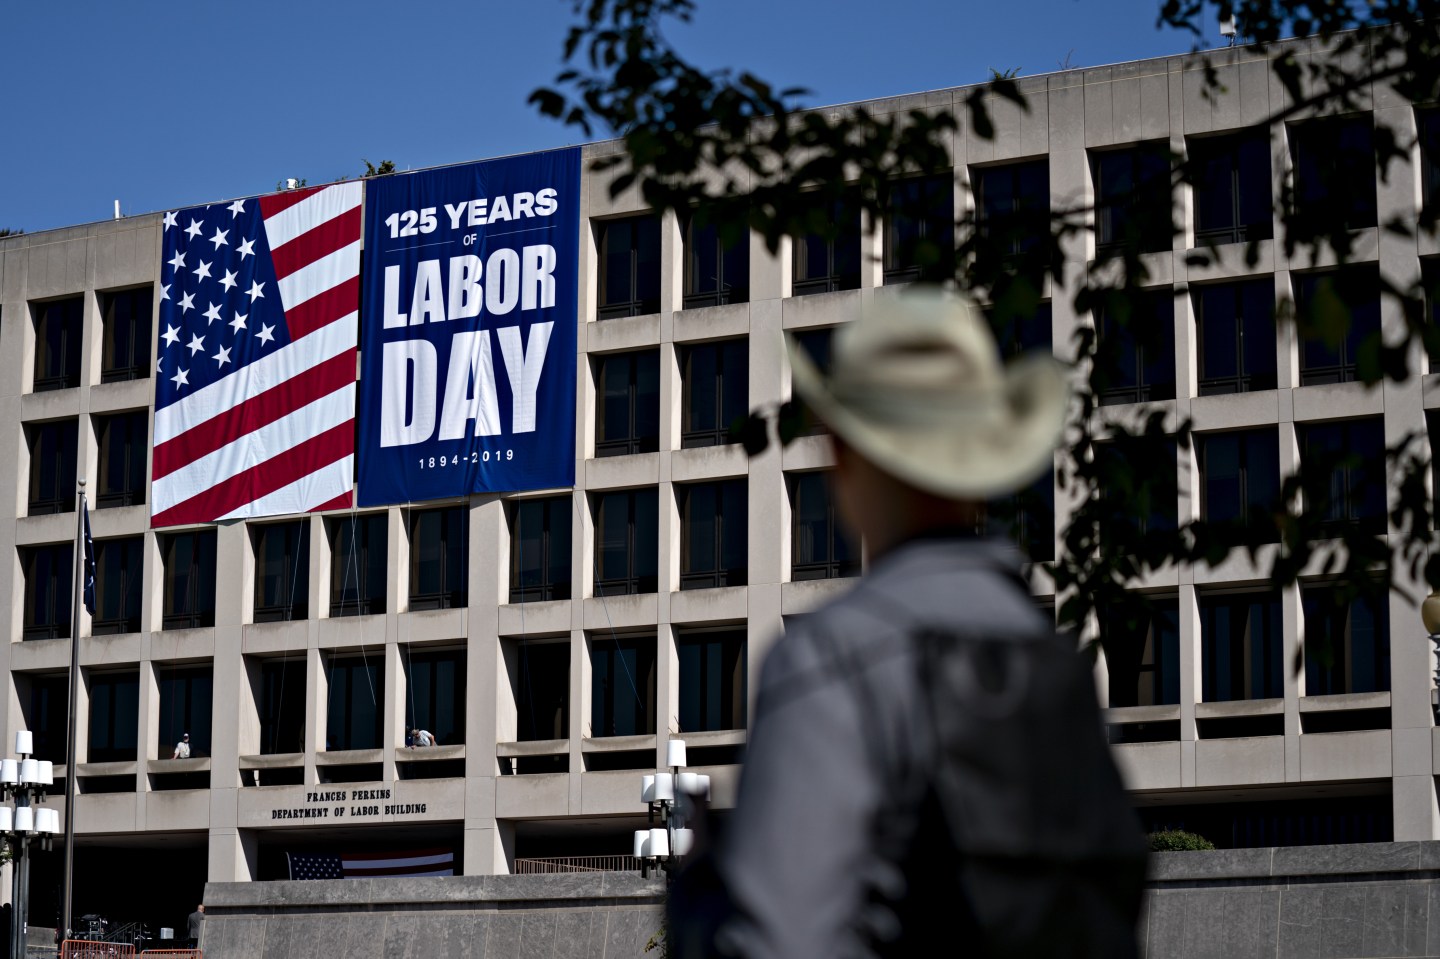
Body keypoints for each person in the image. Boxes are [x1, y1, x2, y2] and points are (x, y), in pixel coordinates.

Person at [670, 288, 1148, 959]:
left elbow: (781, 942)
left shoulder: (833, 658)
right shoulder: (1056, 663)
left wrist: (698, 908)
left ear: (844, 452)